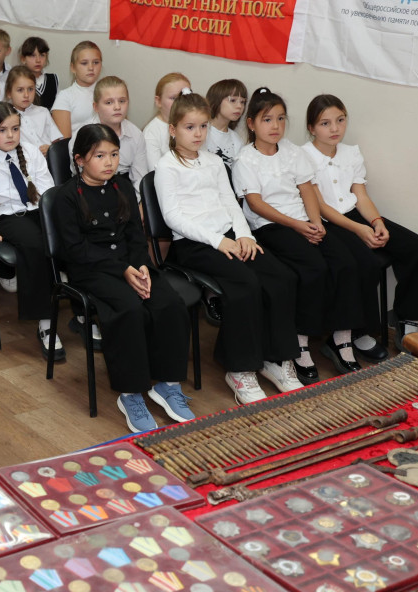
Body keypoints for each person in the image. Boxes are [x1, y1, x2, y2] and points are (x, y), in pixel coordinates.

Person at [155, 91, 301, 403]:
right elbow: (173, 217)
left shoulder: (213, 162)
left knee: (281, 277)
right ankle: (239, 369)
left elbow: (231, 203)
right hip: (193, 244)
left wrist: (245, 235)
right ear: (173, 130)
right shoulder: (167, 167)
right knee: (245, 283)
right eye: (190, 127)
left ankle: (275, 359)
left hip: (229, 237)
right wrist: (218, 241)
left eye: (203, 126)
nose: (198, 134)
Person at [57, 124, 196, 430]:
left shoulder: (123, 187)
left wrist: (141, 266)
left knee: (169, 304)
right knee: (129, 310)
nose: (109, 162)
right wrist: (122, 270)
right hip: (92, 270)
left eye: (114, 154)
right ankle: (131, 393)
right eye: (100, 156)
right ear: (80, 159)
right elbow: (75, 250)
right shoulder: (65, 197)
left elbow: (135, 235)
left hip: (131, 263)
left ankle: (168, 385)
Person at [234, 87, 364, 381]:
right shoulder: (246, 159)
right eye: (267, 119)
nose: (276, 126)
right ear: (251, 123)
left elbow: (306, 190)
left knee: (345, 262)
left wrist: (316, 223)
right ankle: (300, 344)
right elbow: (256, 204)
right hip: (271, 226)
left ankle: (341, 339)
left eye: (281, 118)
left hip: (304, 221)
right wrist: (297, 226)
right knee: (314, 267)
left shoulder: (292, 151)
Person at [303, 94, 418, 353]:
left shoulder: (351, 152)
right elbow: (320, 206)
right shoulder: (303, 156)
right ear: (311, 128)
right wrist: (359, 229)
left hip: (354, 214)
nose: (335, 128)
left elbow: (361, 196)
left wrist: (376, 222)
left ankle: (405, 317)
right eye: (325, 123)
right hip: (328, 221)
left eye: (340, 120)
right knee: (365, 263)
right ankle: (356, 332)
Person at [0, 101, 61, 360]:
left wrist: (56, 221)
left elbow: (47, 190)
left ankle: (80, 310)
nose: (10, 135)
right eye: (2, 130)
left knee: (65, 238)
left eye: (15, 129)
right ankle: (45, 323)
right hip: (4, 216)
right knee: (35, 245)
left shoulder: (30, 151)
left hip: (35, 210)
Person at [70, 76, 149, 199]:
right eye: (109, 102)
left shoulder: (135, 134)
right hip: (90, 192)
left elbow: (140, 178)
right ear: (96, 107)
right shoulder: (82, 135)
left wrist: (138, 203)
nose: (117, 107)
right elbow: (78, 172)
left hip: (123, 190)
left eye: (122, 101)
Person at [4, 66, 62, 157]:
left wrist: (50, 149)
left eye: (30, 89)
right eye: (20, 90)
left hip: (48, 161)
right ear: (9, 93)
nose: (26, 95)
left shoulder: (43, 112)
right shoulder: (6, 117)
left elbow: (57, 141)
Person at [51, 41, 101, 138]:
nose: (91, 67)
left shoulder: (109, 91)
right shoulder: (65, 97)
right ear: (73, 67)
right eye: (84, 63)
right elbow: (64, 142)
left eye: (96, 62)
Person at [142, 72, 191, 169]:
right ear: (158, 101)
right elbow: (155, 171)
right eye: (173, 98)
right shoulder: (151, 133)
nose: (180, 103)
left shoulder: (196, 126)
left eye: (184, 97)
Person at [204, 79, 247, 167]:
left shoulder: (237, 140)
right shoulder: (202, 131)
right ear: (216, 101)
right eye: (233, 100)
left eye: (242, 102)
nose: (239, 106)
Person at [19, 37, 56, 110]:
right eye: (33, 55)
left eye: (42, 55)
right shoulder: (18, 80)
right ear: (23, 59)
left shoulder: (53, 79)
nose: (38, 60)